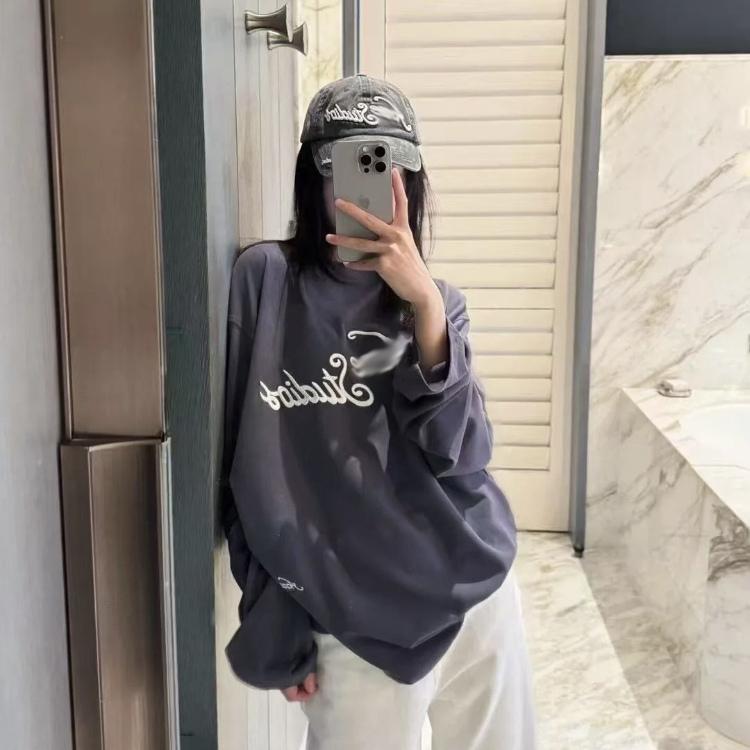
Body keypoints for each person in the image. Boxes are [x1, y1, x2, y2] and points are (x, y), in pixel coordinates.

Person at [221, 74, 535, 750]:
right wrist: (273, 609)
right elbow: (243, 473)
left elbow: (464, 455)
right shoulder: (265, 281)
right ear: (312, 179)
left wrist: (426, 309)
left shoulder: (439, 303)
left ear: (412, 184)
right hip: (349, 625)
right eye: (347, 167)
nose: (368, 189)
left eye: (388, 168)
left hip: (475, 598)